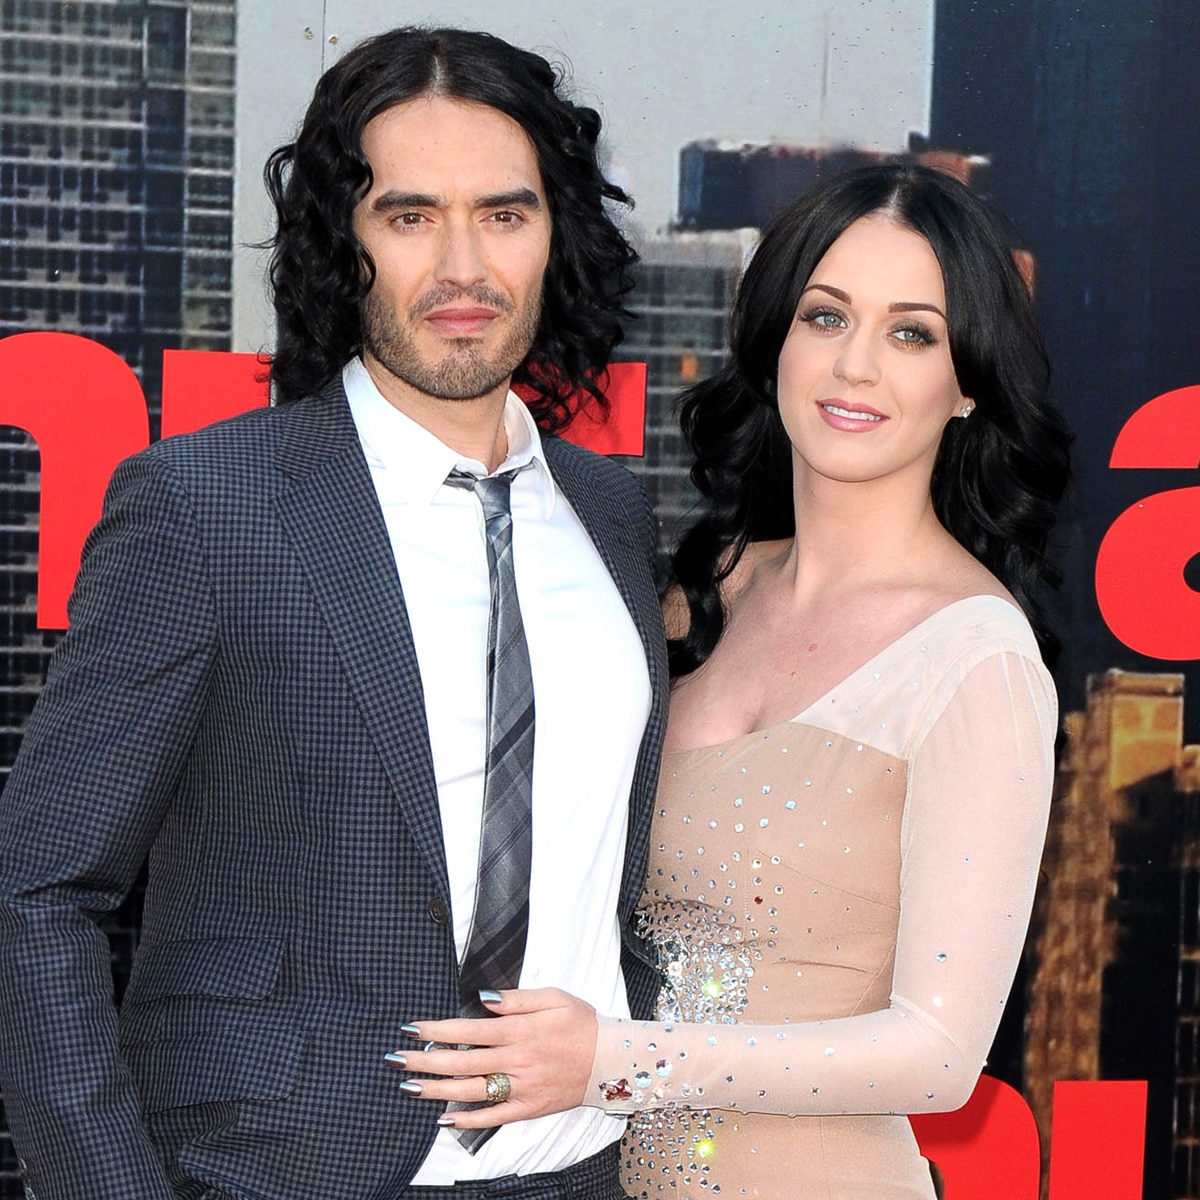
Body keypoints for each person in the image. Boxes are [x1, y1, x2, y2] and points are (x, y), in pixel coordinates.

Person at [0, 26, 667, 1200]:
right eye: (409, 216)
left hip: (581, 1169)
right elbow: (37, 892)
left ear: (555, 235)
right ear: (340, 242)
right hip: (281, 1171)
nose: (463, 266)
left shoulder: (610, 514)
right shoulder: (205, 508)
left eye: (504, 214)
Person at [391, 162, 1071, 1199]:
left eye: (912, 334)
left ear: (967, 381)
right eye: (826, 317)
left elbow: (938, 1056)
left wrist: (609, 1061)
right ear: (775, 342)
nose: (856, 367)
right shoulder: (703, 589)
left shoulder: (977, 655)